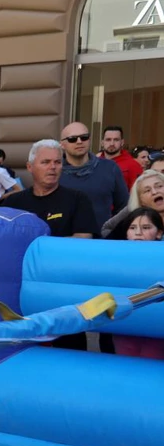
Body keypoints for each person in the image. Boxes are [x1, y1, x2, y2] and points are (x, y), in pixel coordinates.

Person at [0, 140, 96, 238]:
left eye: (57, 162)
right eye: (46, 162)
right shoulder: (13, 202)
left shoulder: (78, 200)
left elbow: (83, 238)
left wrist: (42, 246)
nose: (53, 167)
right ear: (29, 167)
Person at [110, 207, 164, 361]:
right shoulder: (114, 259)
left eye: (146, 228)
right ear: (126, 233)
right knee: (125, 362)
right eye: (132, 228)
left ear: (159, 233)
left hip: (156, 324)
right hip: (126, 323)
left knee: (152, 362)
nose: (138, 233)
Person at [58, 121, 128, 233]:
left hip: (103, 242)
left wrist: (112, 232)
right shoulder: (55, 172)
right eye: (72, 139)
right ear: (62, 144)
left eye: (84, 137)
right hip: (65, 242)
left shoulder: (110, 168)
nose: (79, 142)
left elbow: (124, 207)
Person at [102, 171, 164, 239]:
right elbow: (107, 229)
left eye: (159, 186)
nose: (155, 192)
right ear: (140, 200)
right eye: (147, 190)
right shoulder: (132, 210)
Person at [98, 125, 141, 192]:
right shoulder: (94, 163)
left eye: (116, 140)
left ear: (122, 142)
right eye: (108, 139)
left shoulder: (133, 165)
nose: (112, 143)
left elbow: (138, 193)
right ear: (102, 142)